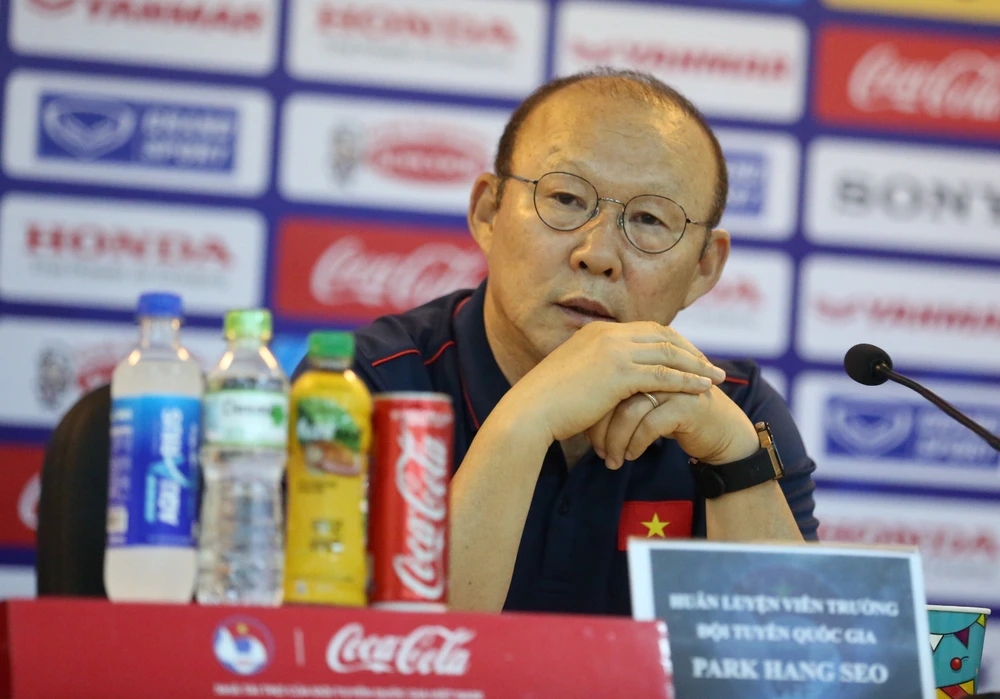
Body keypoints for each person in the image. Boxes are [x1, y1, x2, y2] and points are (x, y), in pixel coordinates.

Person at [347, 68, 818, 616]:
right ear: (488, 213)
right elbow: (403, 653)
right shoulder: (367, 385)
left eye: (649, 219)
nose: (597, 255)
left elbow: (793, 656)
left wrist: (736, 463)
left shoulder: (737, 411)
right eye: (567, 199)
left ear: (703, 268)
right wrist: (525, 420)